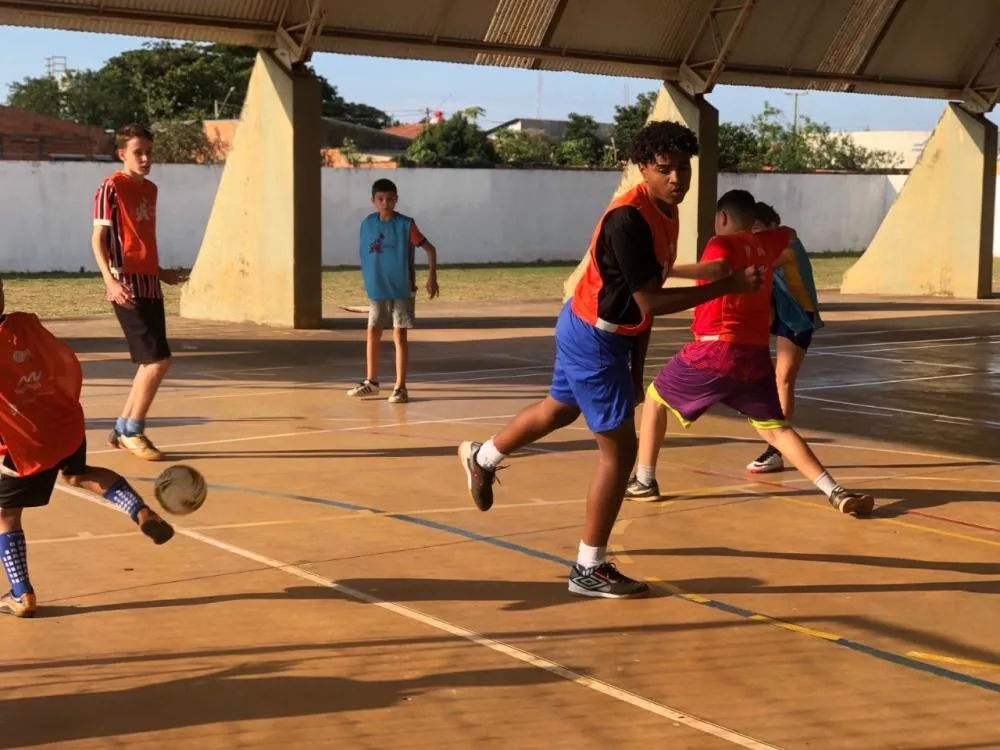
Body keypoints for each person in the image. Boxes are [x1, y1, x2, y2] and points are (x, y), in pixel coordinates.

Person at [457, 122, 764, 600]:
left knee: (558, 408)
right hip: (594, 336)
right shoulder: (628, 219)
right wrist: (727, 286)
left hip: (602, 330)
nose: (677, 178)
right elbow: (651, 302)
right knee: (620, 452)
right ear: (643, 169)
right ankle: (588, 567)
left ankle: (483, 457)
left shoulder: (667, 210)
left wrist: (637, 373)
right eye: (666, 170)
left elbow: (641, 305)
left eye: (684, 168)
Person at [623, 190, 874, 518]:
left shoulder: (720, 243)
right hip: (754, 355)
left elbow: (718, 269)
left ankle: (645, 480)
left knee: (655, 399)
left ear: (722, 218)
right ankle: (835, 491)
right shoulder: (765, 244)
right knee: (776, 429)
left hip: (716, 348)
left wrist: (665, 270)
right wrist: (764, 238)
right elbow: (791, 233)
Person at [0, 275, 174, 618]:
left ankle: (22, 594)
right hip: (64, 424)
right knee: (77, 473)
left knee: (6, 517)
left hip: (25, 443)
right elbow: (61, 362)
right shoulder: (26, 324)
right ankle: (141, 512)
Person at [92, 123, 186, 461]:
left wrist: (161, 272)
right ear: (122, 154)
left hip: (149, 283)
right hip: (126, 285)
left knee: (151, 361)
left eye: (149, 152)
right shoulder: (110, 188)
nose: (145, 158)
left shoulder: (151, 189)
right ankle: (133, 430)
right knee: (158, 360)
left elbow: (140, 240)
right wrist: (110, 281)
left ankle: (122, 429)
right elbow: (98, 240)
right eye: (138, 153)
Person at [745, 201, 823, 474]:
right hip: (781, 315)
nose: (753, 234)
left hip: (799, 318)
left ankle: (776, 450)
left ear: (771, 227)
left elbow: (762, 265)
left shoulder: (787, 248)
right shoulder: (770, 244)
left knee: (784, 380)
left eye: (757, 228)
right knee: (764, 375)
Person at [347, 178, 439, 404]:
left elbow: (430, 249)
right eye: (380, 199)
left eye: (389, 199)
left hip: (401, 288)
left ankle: (400, 387)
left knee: (399, 335)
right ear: (373, 201)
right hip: (378, 288)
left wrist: (431, 277)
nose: (385, 203)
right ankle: (372, 382)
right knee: (372, 332)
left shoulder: (406, 224)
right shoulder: (368, 224)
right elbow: (366, 255)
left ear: (396, 200)